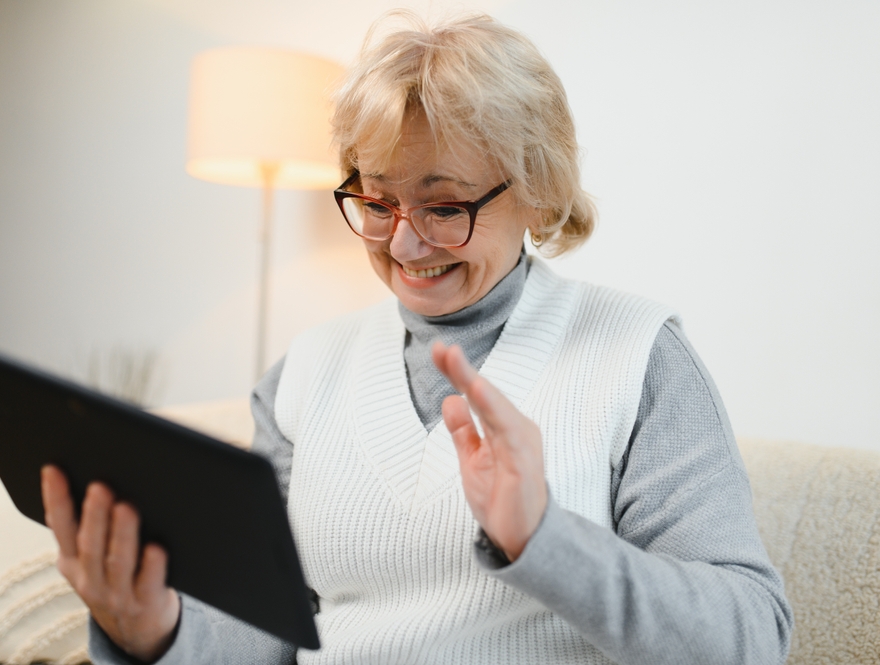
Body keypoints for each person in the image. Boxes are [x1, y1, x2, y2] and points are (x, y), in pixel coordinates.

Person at [41, 12, 793, 665]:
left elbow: (751, 637)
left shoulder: (636, 355)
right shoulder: (306, 372)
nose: (403, 245)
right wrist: (155, 631)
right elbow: (266, 634)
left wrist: (544, 539)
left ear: (535, 190)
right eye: (376, 199)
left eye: (444, 206)